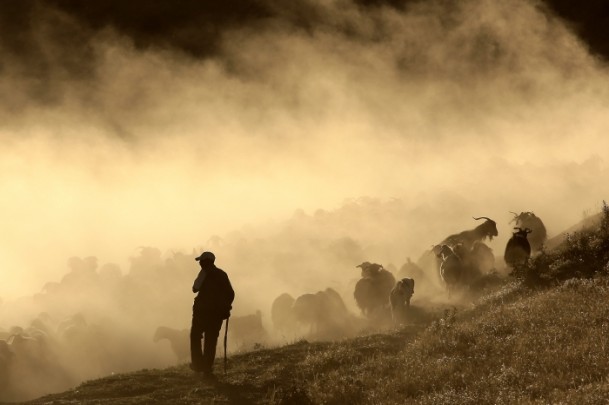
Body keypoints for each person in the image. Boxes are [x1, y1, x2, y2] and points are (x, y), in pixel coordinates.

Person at [190, 251, 234, 377]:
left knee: (196, 336)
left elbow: (194, 288)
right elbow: (231, 293)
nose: (200, 264)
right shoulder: (222, 274)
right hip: (216, 315)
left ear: (205, 262)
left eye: (201, 261)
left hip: (201, 313)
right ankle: (207, 367)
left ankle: (198, 364)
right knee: (211, 339)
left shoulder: (204, 273)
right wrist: (226, 307)